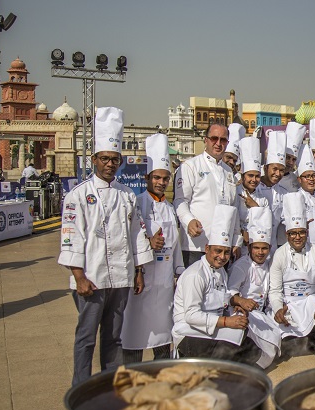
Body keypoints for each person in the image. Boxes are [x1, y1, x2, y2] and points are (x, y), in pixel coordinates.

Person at [58, 107, 153, 385]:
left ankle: (110, 387)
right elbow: (71, 236)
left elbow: (136, 234)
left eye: (114, 159)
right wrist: (79, 277)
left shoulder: (127, 195)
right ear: (94, 159)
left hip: (121, 278)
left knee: (113, 338)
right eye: (104, 159)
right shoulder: (78, 196)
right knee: (86, 337)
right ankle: (81, 388)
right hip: (91, 278)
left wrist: (138, 271)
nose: (110, 164)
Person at [120, 134, 184, 363]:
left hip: (165, 282)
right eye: (157, 177)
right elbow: (126, 239)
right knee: (135, 333)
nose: (161, 182)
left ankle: (161, 375)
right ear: (147, 177)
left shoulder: (169, 208)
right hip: (142, 279)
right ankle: (131, 375)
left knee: (163, 334)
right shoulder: (135, 202)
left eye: (165, 178)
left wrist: (179, 272)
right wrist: (148, 244)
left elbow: (175, 243)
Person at [172, 204, 261, 363]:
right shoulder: (195, 275)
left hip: (213, 327)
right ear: (207, 248)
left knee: (252, 348)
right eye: (217, 251)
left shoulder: (220, 271)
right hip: (189, 333)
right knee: (228, 351)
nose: (222, 256)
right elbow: (191, 316)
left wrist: (236, 304)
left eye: (226, 252)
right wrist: (227, 322)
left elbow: (220, 297)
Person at [268, 192, 315, 358]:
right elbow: (275, 290)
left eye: (301, 232)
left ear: (307, 231)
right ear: (287, 234)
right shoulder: (280, 254)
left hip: (308, 301)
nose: (297, 237)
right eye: (293, 233)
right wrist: (277, 309)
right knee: (287, 344)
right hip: (288, 304)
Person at [174, 122, 238, 267]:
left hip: (222, 247)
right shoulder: (190, 166)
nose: (218, 143)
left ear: (227, 143)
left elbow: (233, 207)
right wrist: (189, 220)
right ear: (206, 140)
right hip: (197, 246)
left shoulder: (229, 172)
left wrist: (236, 240)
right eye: (214, 138)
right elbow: (180, 201)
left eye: (223, 140)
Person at [227, 206, 282, 368]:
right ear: (249, 248)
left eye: (264, 248)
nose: (260, 252)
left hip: (263, 312)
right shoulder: (241, 266)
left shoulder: (270, 264)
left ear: (269, 249)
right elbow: (230, 291)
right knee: (267, 345)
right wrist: (241, 302)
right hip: (243, 312)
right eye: (256, 248)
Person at [256, 130, 289, 249]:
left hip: (272, 246)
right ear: (265, 168)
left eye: (281, 170)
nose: (278, 173)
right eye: (274, 169)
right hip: (252, 245)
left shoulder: (284, 193)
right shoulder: (255, 188)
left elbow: (287, 218)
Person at [235, 136, 269, 246]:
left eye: (257, 176)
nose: (254, 180)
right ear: (243, 175)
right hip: (237, 242)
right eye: (250, 176)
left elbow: (266, 222)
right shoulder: (235, 192)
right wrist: (242, 233)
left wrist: (255, 206)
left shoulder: (263, 198)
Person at [278, 121, 305, 193]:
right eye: (288, 157)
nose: (290, 162)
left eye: (294, 159)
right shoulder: (263, 174)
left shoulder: (295, 179)